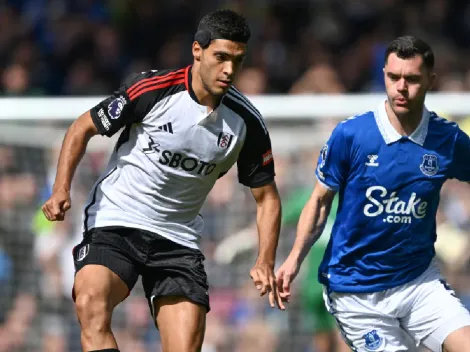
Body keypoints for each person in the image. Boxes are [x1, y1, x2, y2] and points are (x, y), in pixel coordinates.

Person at [42, 9, 284, 352]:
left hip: (178, 239)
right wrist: (61, 188)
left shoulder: (246, 123)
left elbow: (267, 198)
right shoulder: (152, 89)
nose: (229, 70)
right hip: (117, 221)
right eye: (221, 57)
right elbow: (82, 127)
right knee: (91, 304)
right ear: (197, 51)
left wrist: (265, 260)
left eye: (238, 60)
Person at [276, 35, 470, 352]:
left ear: (430, 81)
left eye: (411, 79)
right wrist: (294, 259)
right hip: (356, 293)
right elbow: (319, 202)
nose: (401, 87)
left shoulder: (446, 140)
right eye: (393, 77)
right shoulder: (352, 135)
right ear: (384, 76)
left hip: (417, 282)